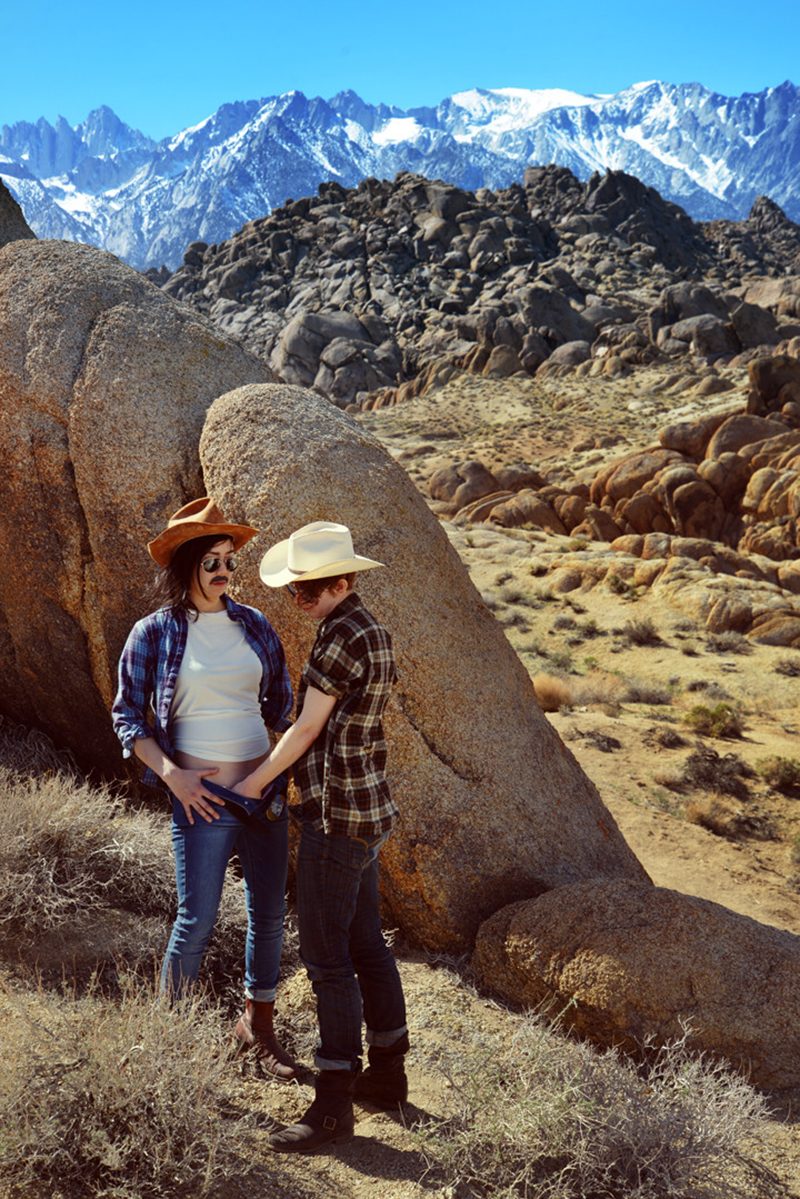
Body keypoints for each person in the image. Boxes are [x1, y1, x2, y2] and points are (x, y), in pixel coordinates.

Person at [234, 520, 408, 1153]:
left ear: (342, 581)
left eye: (307, 590)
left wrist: (253, 784)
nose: (298, 601)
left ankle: (334, 1105)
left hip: (337, 818)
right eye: (293, 591)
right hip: (369, 811)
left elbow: (306, 731)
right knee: (366, 945)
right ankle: (387, 1075)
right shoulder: (374, 630)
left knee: (327, 958)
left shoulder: (338, 639)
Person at [111, 497, 297, 1080]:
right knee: (196, 921)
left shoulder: (254, 626)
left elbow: (282, 707)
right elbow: (127, 718)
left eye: (229, 562)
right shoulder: (154, 634)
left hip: (262, 795)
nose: (223, 572)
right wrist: (173, 776)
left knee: (268, 916)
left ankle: (255, 1028)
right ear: (185, 564)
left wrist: (279, 770)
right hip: (201, 799)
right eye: (210, 561)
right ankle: (170, 1041)